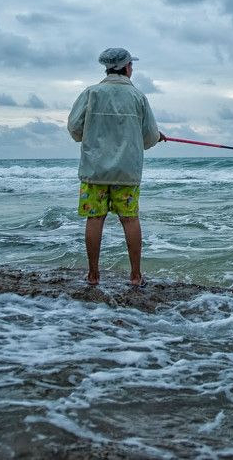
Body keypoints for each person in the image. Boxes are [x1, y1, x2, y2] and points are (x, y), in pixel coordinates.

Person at [67, 47, 163, 287]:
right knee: (130, 219)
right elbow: (150, 137)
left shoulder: (91, 93)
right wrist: (157, 137)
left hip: (94, 171)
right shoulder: (138, 97)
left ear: (108, 68)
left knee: (94, 218)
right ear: (127, 67)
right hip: (127, 172)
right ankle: (135, 276)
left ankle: (93, 275)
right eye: (132, 65)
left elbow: (74, 128)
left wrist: (87, 137)